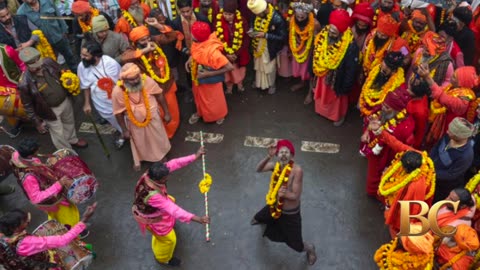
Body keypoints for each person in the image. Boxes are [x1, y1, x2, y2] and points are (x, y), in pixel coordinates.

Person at [132, 147, 209, 267]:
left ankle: (162, 234)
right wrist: (197, 219)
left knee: (171, 200)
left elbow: (175, 163)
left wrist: (195, 156)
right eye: (165, 178)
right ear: (158, 179)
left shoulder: (151, 173)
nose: (167, 177)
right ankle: (163, 258)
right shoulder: (154, 196)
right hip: (151, 217)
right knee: (169, 239)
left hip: (152, 207)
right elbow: (174, 210)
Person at [251, 139, 317, 265]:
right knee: (261, 215)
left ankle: (310, 248)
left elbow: (295, 196)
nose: (284, 155)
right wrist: (268, 156)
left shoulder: (297, 171)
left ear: (292, 155)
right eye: (281, 152)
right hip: (275, 205)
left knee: (296, 244)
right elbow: (258, 169)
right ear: (277, 155)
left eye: (287, 152)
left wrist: (285, 194)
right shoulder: (275, 166)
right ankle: (259, 218)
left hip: (289, 214)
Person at [369, 118, 435, 237]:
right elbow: (396, 144)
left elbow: (413, 209)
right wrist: (379, 131)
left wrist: (392, 208)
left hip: (403, 208)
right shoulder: (415, 155)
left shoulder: (417, 185)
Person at [10, 138, 85, 234]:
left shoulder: (18, 157)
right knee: (66, 215)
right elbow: (36, 198)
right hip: (50, 199)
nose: (38, 152)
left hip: (46, 187)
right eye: (37, 151)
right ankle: (73, 231)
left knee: (57, 215)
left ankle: (62, 226)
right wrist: (59, 184)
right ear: (30, 155)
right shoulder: (28, 177)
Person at [18, 47, 88, 150]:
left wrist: (68, 80)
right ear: (27, 65)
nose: (39, 66)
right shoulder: (24, 83)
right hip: (49, 110)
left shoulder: (48, 62)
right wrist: (37, 122)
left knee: (69, 122)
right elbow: (27, 105)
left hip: (65, 101)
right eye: (35, 66)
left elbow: (62, 72)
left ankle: (72, 139)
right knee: (58, 133)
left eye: (39, 62)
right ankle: (67, 152)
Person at [122, 25, 180, 138]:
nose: (147, 41)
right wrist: (145, 51)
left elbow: (173, 35)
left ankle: (172, 129)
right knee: (158, 112)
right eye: (143, 40)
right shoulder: (132, 49)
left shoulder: (154, 41)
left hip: (166, 83)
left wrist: (157, 25)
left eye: (147, 37)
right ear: (135, 41)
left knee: (172, 108)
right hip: (151, 88)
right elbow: (124, 58)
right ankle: (163, 134)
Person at [112, 63, 171, 171]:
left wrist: (167, 112)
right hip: (134, 123)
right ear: (124, 80)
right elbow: (118, 112)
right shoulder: (117, 91)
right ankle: (140, 158)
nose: (135, 81)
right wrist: (124, 130)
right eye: (132, 79)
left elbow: (159, 95)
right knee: (139, 141)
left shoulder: (146, 80)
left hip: (152, 117)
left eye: (137, 77)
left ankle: (160, 155)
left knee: (157, 137)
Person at [0, 203, 96, 270]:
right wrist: (84, 219)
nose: (28, 222)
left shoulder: (4, 237)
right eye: (25, 221)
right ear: (16, 229)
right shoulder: (28, 242)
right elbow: (63, 240)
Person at [311, 9, 359, 126]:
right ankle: (321, 111)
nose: (330, 33)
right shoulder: (324, 34)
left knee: (336, 99)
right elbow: (316, 51)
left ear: (342, 32)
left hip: (337, 78)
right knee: (321, 94)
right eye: (330, 29)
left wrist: (346, 85)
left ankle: (337, 116)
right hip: (322, 74)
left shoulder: (350, 46)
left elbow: (350, 69)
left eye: (334, 32)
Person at [78, 40, 125, 149]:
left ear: (96, 56)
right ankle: (122, 131)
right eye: (81, 54)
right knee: (111, 118)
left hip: (117, 99)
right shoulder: (82, 66)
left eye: (86, 55)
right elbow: (85, 86)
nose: (82, 57)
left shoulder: (110, 63)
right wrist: (87, 103)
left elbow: (120, 83)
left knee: (124, 118)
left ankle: (127, 133)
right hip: (100, 101)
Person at [417, 65, 477, 149]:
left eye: (454, 77)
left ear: (461, 82)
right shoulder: (452, 86)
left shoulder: (465, 98)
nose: (451, 77)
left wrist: (428, 78)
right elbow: (439, 90)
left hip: (447, 128)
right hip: (440, 120)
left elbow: (444, 98)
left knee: (436, 145)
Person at [186, 21, 233, 125]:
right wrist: (190, 59)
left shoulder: (213, 52)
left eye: (193, 33)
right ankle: (200, 112)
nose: (191, 34)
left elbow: (230, 67)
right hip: (197, 77)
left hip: (211, 81)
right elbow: (195, 52)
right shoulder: (197, 42)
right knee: (198, 96)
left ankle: (219, 115)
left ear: (198, 36)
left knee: (214, 100)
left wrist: (208, 74)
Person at [17, 0, 78, 72]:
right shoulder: (21, 12)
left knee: (69, 56)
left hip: (58, 36)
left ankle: (77, 74)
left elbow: (58, 15)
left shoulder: (47, 1)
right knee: (51, 65)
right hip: (44, 44)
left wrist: (64, 30)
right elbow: (27, 31)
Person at [429, 118, 475, 203]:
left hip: (443, 187)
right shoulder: (448, 136)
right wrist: (429, 161)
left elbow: (451, 175)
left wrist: (431, 173)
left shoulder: (466, 155)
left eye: (451, 131)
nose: (447, 132)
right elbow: (436, 147)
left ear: (459, 136)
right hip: (431, 175)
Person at [247, 0, 287, 95]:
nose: (256, 15)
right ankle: (259, 82)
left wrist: (266, 35)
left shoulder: (277, 18)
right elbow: (252, 21)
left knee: (269, 67)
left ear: (265, 10)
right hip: (258, 44)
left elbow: (282, 37)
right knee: (258, 65)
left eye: (258, 14)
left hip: (270, 47)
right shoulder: (257, 14)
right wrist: (252, 30)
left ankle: (272, 85)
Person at [215, 0, 250, 94]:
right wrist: (226, 54)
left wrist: (236, 53)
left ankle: (239, 84)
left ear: (235, 13)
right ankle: (229, 87)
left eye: (230, 14)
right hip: (224, 54)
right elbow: (217, 40)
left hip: (239, 53)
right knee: (227, 72)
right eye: (225, 14)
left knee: (239, 70)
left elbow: (246, 39)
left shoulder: (242, 21)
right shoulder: (218, 21)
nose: (227, 16)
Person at [358, 51, 405, 118]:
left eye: (387, 68)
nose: (383, 69)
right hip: (369, 103)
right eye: (384, 64)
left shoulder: (397, 85)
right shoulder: (378, 69)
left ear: (394, 71)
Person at [288, 2, 317, 94]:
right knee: (300, 69)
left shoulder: (315, 24)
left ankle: (309, 93)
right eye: (298, 17)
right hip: (297, 49)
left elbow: (317, 41)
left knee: (309, 72)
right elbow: (290, 35)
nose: (299, 19)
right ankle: (302, 82)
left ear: (308, 15)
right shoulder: (292, 20)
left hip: (309, 51)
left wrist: (312, 52)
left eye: (302, 17)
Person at [0, 43, 26, 137]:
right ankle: (18, 123)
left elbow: (22, 64)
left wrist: (23, 79)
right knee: (8, 110)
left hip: (15, 84)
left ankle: (38, 121)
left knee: (27, 104)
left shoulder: (7, 50)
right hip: (1, 91)